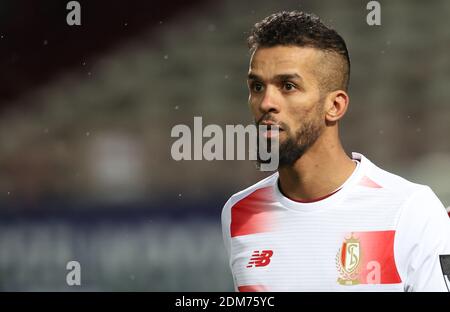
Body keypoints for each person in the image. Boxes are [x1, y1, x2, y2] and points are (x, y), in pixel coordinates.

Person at [221, 11, 450, 292]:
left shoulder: (411, 210)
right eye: (257, 86)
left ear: (335, 106)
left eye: (288, 86)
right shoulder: (238, 213)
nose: (266, 102)